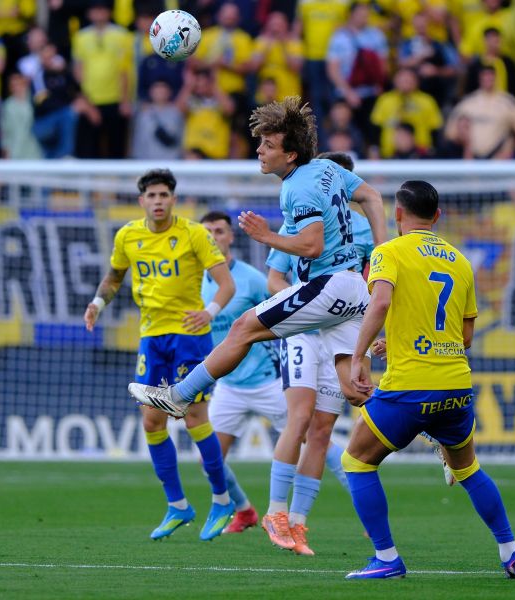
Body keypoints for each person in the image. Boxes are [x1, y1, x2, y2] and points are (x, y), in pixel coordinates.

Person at [128, 98, 387, 500]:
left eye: (268, 145)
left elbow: (312, 245)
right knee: (354, 388)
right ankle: (423, 418)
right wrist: (383, 251)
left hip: (329, 283)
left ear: (291, 153)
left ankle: (178, 396)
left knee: (242, 327)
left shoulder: (296, 185)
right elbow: (372, 197)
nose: (259, 151)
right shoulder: (330, 169)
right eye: (260, 143)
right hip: (354, 287)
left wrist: (266, 236)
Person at [343, 180, 515, 580]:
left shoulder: (388, 252)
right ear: (438, 216)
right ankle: (511, 552)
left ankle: (387, 558)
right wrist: (393, 343)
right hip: (456, 385)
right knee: (469, 470)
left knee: (355, 462)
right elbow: (463, 337)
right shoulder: (460, 261)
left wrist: (358, 356)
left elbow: (380, 301)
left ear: (397, 213)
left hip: (411, 386)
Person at [84, 169, 237, 541]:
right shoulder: (128, 235)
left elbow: (226, 285)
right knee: (152, 421)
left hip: (190, 338)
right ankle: (178, 506)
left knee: (194, 416)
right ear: (141, 201)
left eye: (163, 195)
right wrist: (97, 302)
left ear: (173, 199)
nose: (157, 201)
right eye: (151, 195)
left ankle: (222, 500)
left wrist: (209, 312)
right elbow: (114, 276)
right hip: (152, 338)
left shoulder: (193, 234)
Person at [258, 151, 368, 555]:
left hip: (343, 329)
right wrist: (301, 305)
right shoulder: (302, 216)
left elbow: (376, 282)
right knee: (300, 418)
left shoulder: (364, 230)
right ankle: (275, 511)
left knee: (323, 429)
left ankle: (300, 523)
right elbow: (275, 277)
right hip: (305, 328)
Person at [199, 210, 286, 534]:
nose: (213, 237)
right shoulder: (195, 281)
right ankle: (244, 511)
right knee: (209, 459)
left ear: (231, 236)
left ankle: (363, 513)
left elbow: (284, 316)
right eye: (206, 232)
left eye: (219, 231)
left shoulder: (253, 279)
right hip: (229, 386)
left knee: (317, 441)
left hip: (268, 381)